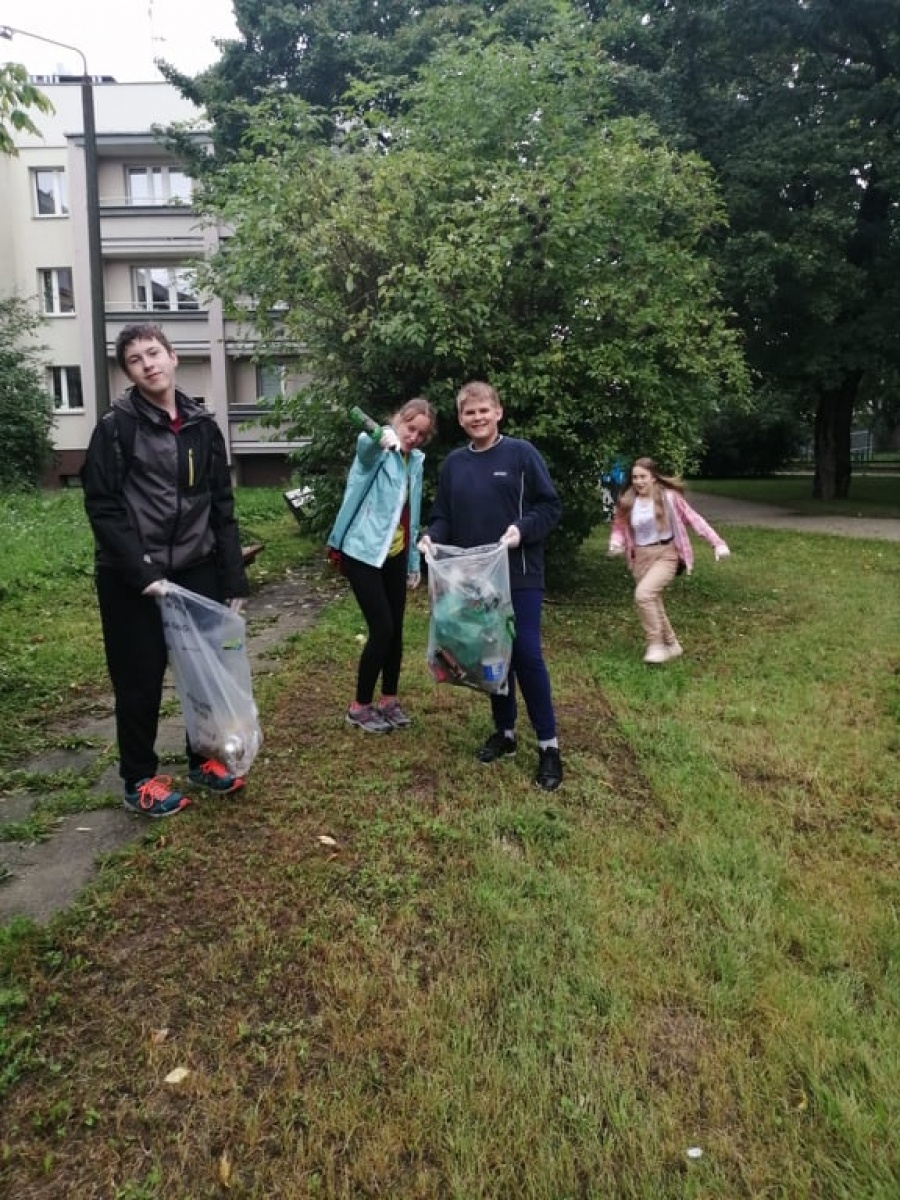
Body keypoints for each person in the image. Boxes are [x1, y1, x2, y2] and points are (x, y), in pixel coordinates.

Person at [82, 323, 250, 817]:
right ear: (128, 373)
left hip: (195, 568)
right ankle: (138, 779)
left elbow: (221, 503)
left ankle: (203, 759)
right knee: (140, 681)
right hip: (131, 578)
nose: (148, 364)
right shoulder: (117, 428)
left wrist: (233, 576)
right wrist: (140, 571)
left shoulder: (202, 427)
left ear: (173, 357)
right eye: (135, 360)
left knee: (202, 673)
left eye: (154, 353)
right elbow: (104, 507)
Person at [419, 381, 564, 792]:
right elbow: (443, 514)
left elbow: (549, 506)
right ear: (461, 419)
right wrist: (432, 535)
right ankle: (505, 733)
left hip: (519, 573)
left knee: (526, 653)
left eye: (484, 410)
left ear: (498, 412)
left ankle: (549, 747)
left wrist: (523, 529)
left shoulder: (521, 454)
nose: (477, 418)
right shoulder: (453, 465)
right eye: (469, 413)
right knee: (489, 653)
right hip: (473, 580)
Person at [328, 397, 437, 733]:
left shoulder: (415, 462)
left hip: (396, 554)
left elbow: (412, 513)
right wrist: (381, 437)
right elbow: (364, 447)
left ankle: (388, 700)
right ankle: (359, 707)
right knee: (382, 629)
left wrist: (412, 562)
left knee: (397, 632)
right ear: (397, 420)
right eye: (409, 428)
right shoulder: (376, 451)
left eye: (421, 433)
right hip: (362, 551)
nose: (413, 437)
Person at [608, 456, 731, 663]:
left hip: (666, 554)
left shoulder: (669, 498)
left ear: (654, 477)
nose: (638, 481)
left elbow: (694, 519)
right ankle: (672, 645)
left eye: (643, 477)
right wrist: (616, 543)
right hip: (640, 557)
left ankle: (655, 645)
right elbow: (619, 527)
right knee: (653, 601)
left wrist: (717, 543)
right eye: (635, 477)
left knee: (644, 595)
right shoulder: (628, 501)